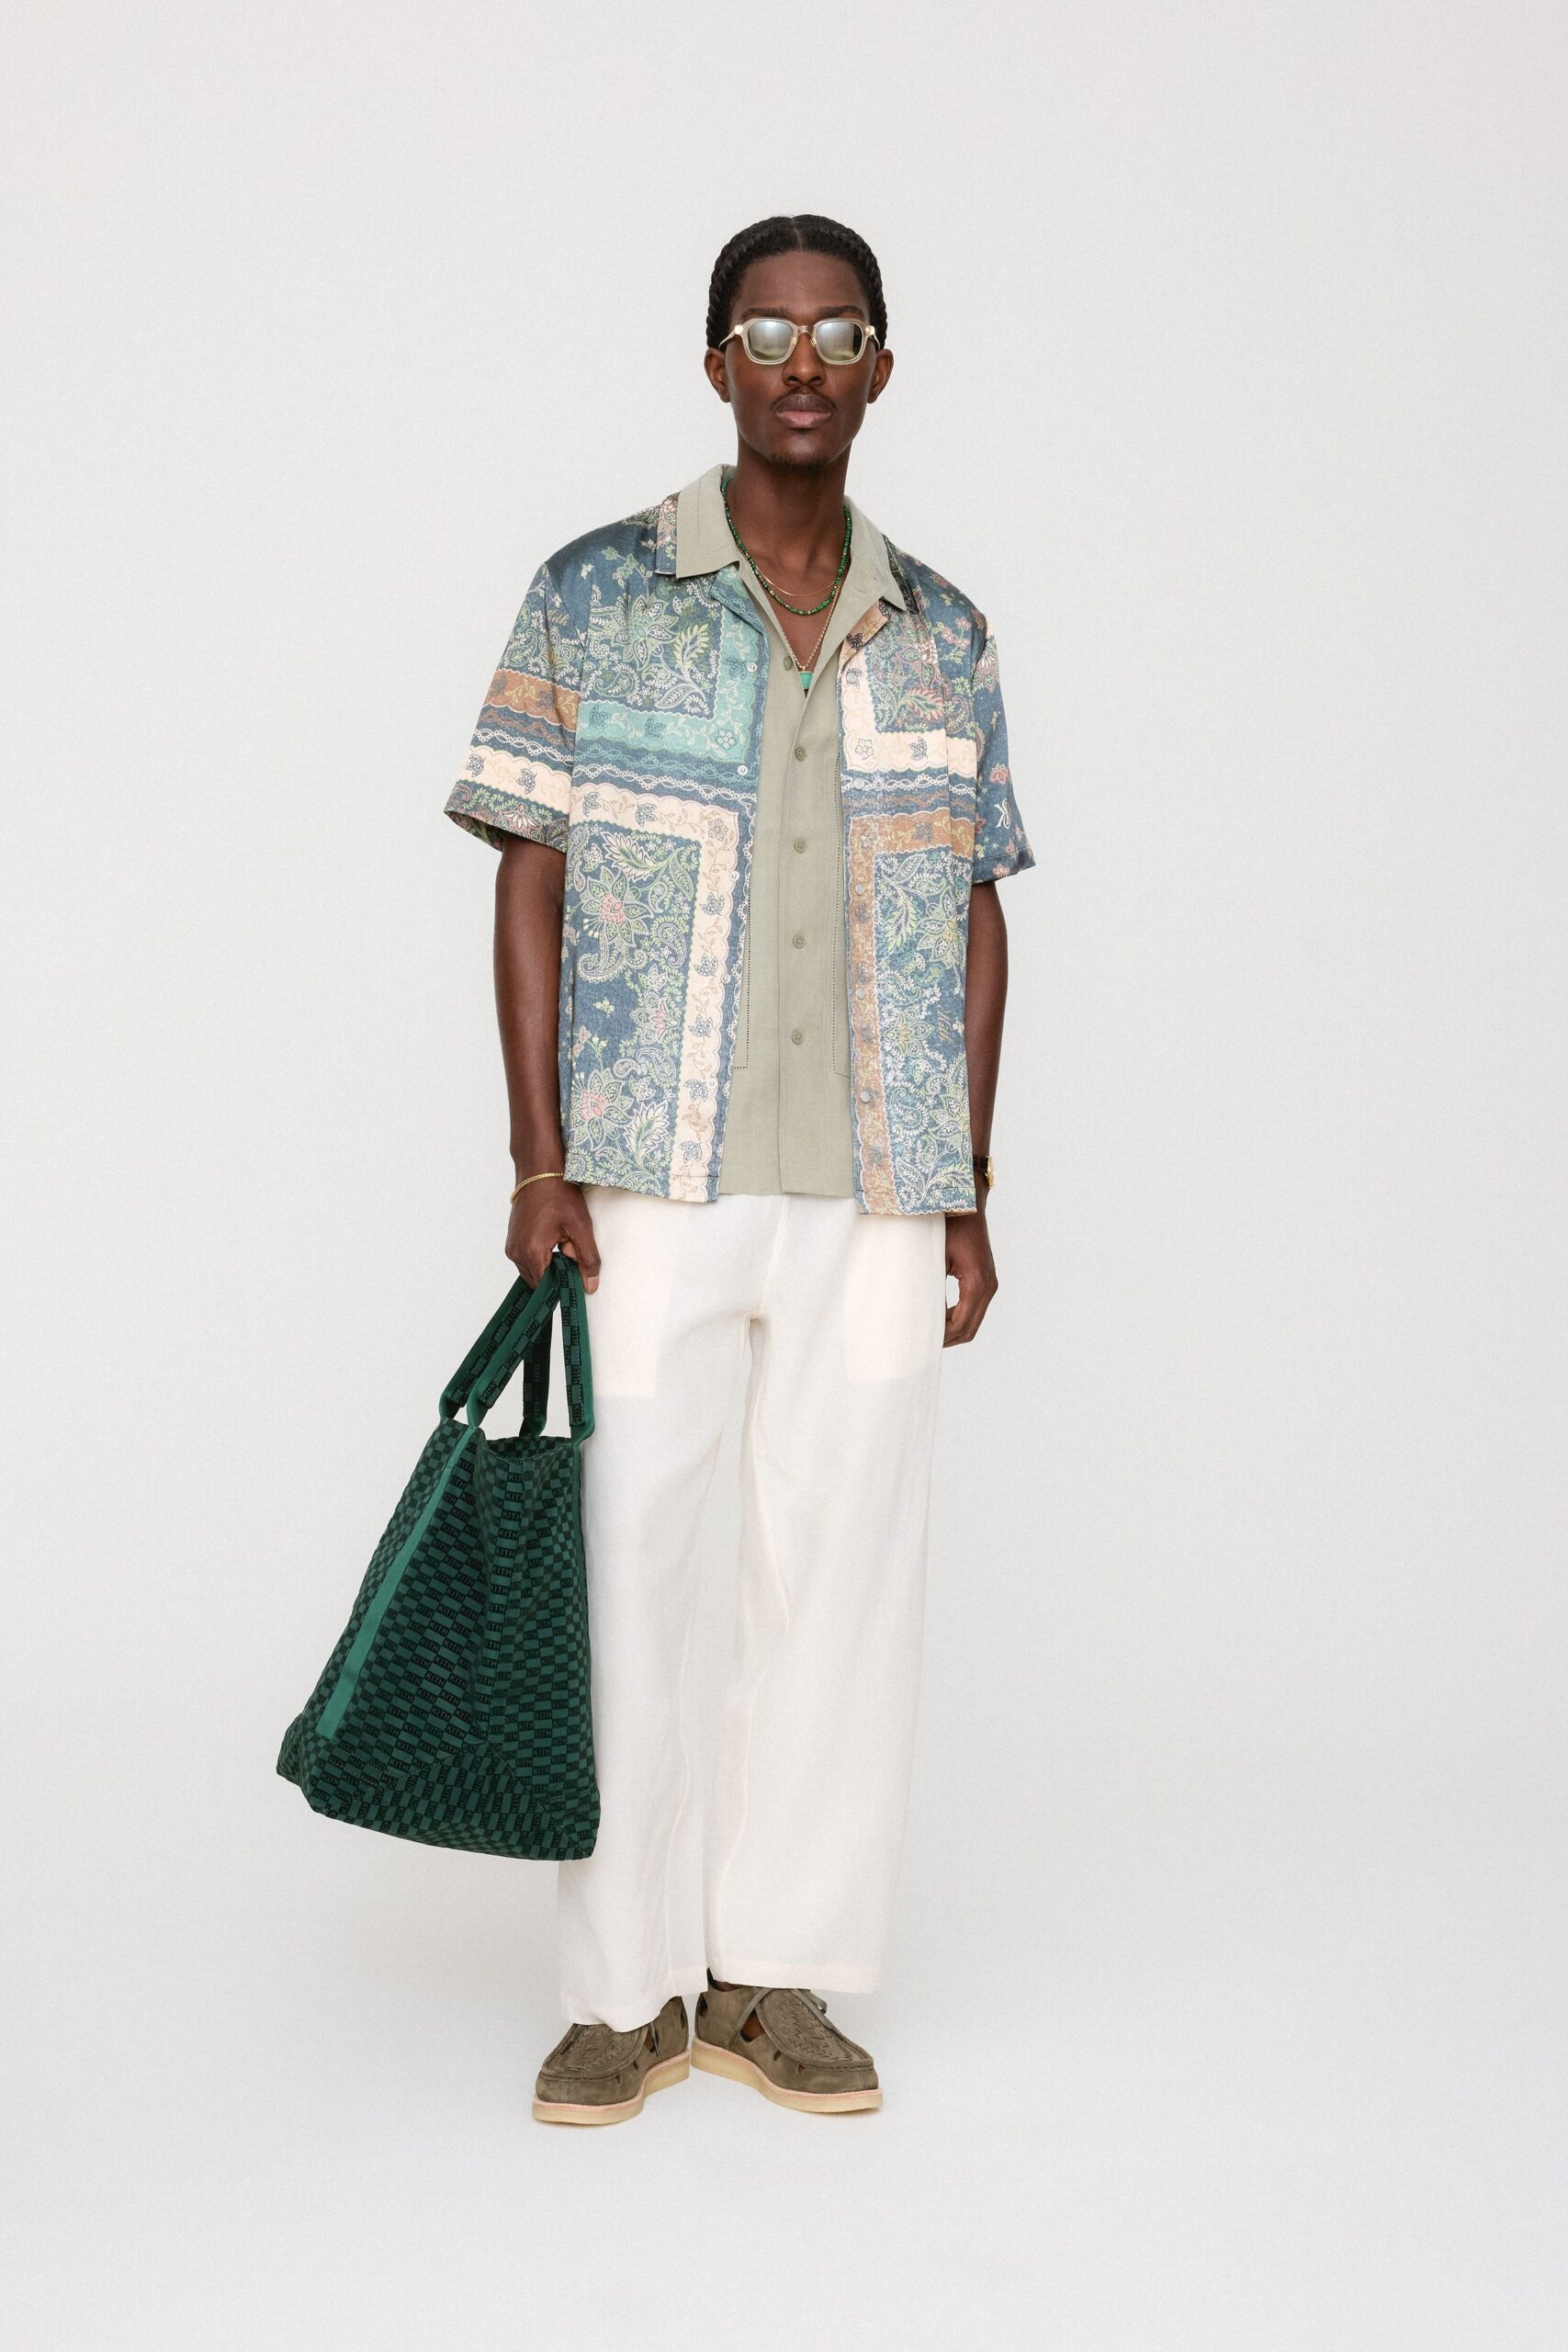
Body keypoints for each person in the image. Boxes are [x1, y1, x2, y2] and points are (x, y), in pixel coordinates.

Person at [445, 213, 1034, 2124]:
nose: (801, 363)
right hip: (648, 1172)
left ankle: (772, 1976)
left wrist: (966, 1184)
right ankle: (618, 1992)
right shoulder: (593, 593)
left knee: (840, 1580)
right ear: (714, 364)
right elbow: (529, 874)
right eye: (766, 333)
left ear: (880, 369)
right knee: (626, 1576)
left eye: (837, 332)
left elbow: (975, 904)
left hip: (876, 1183)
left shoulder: (944, 630)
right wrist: (539, 1164)